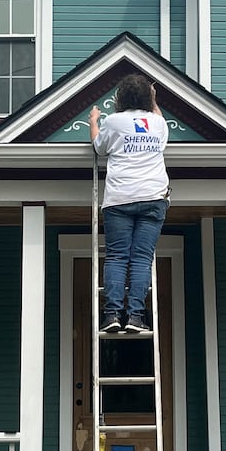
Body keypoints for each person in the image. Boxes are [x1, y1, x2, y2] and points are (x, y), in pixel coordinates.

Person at [89, 74, 169, 334]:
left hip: (120, 198)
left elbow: (99, 148)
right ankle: (135, 316)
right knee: (141, 259)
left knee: (117, 256)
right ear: (148, 97)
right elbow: (158, 118)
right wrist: (155, 100)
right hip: (153, 197)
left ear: (120, 98)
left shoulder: (113, 121)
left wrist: (94, 121)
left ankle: (112, 313)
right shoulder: (157, 124)